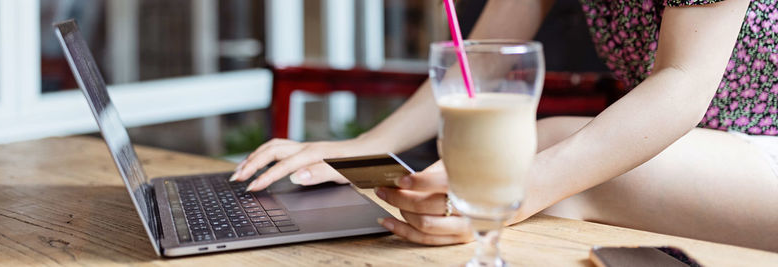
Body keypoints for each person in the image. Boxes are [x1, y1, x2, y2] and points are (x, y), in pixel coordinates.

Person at [230, 0, 778, 252]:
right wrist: (361, 146)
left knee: (554, 151)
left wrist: (518, 191)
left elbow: (682, 79)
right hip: (710, 146)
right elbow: (479, 63)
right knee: (543, 155)